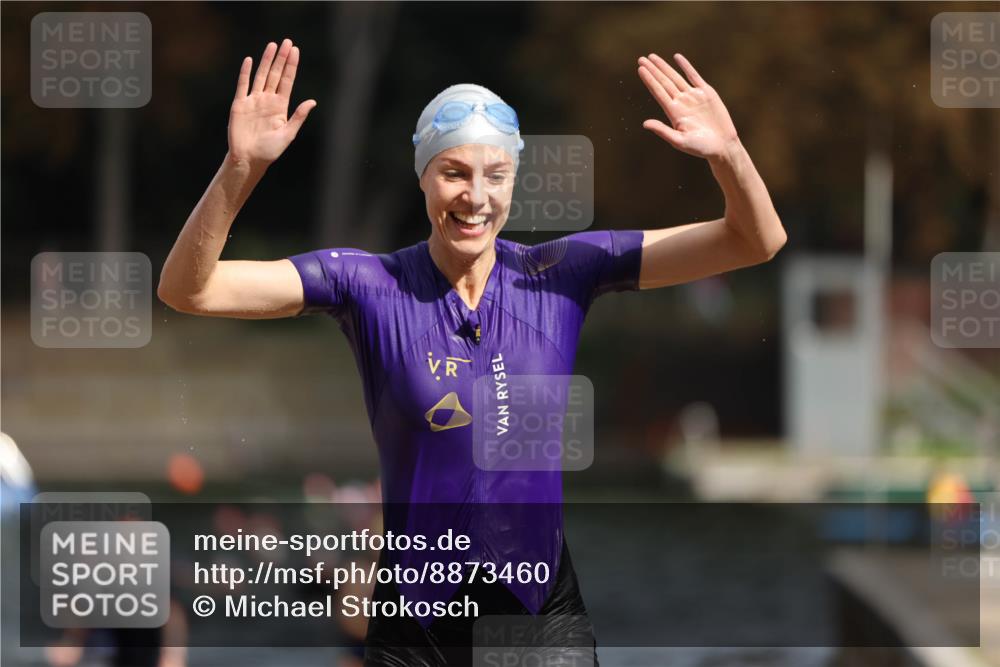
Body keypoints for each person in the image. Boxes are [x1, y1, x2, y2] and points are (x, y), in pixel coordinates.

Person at [158, 38, 787, 667]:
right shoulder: (368, 285)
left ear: (515, 179)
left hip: (539, 623)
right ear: (424, 175)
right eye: (454, 172)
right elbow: (190, 289)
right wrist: (241, 169)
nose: (476, 197)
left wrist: (729, 154)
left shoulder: (562, 272)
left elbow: (754, 240)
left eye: (496, 175)